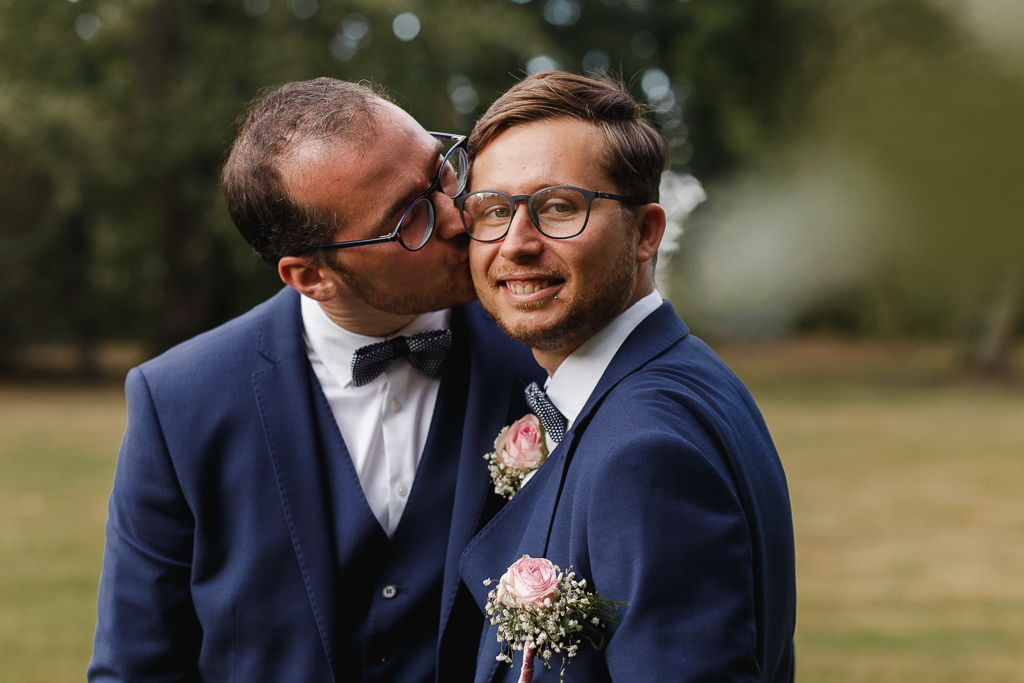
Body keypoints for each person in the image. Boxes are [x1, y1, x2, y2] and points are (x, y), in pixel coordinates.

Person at [88, 77, 543, 683]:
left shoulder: (541, 358)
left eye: (441, 173)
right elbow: (138, 665)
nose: (457, 215)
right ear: (311, 275)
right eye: (410, 217)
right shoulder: (178, 401)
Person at [456, 72, 796, 682]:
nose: (516, 243)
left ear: (646, 234)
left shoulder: (643, 448)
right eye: (493, 211)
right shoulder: (682, 374)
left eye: (558, 207)